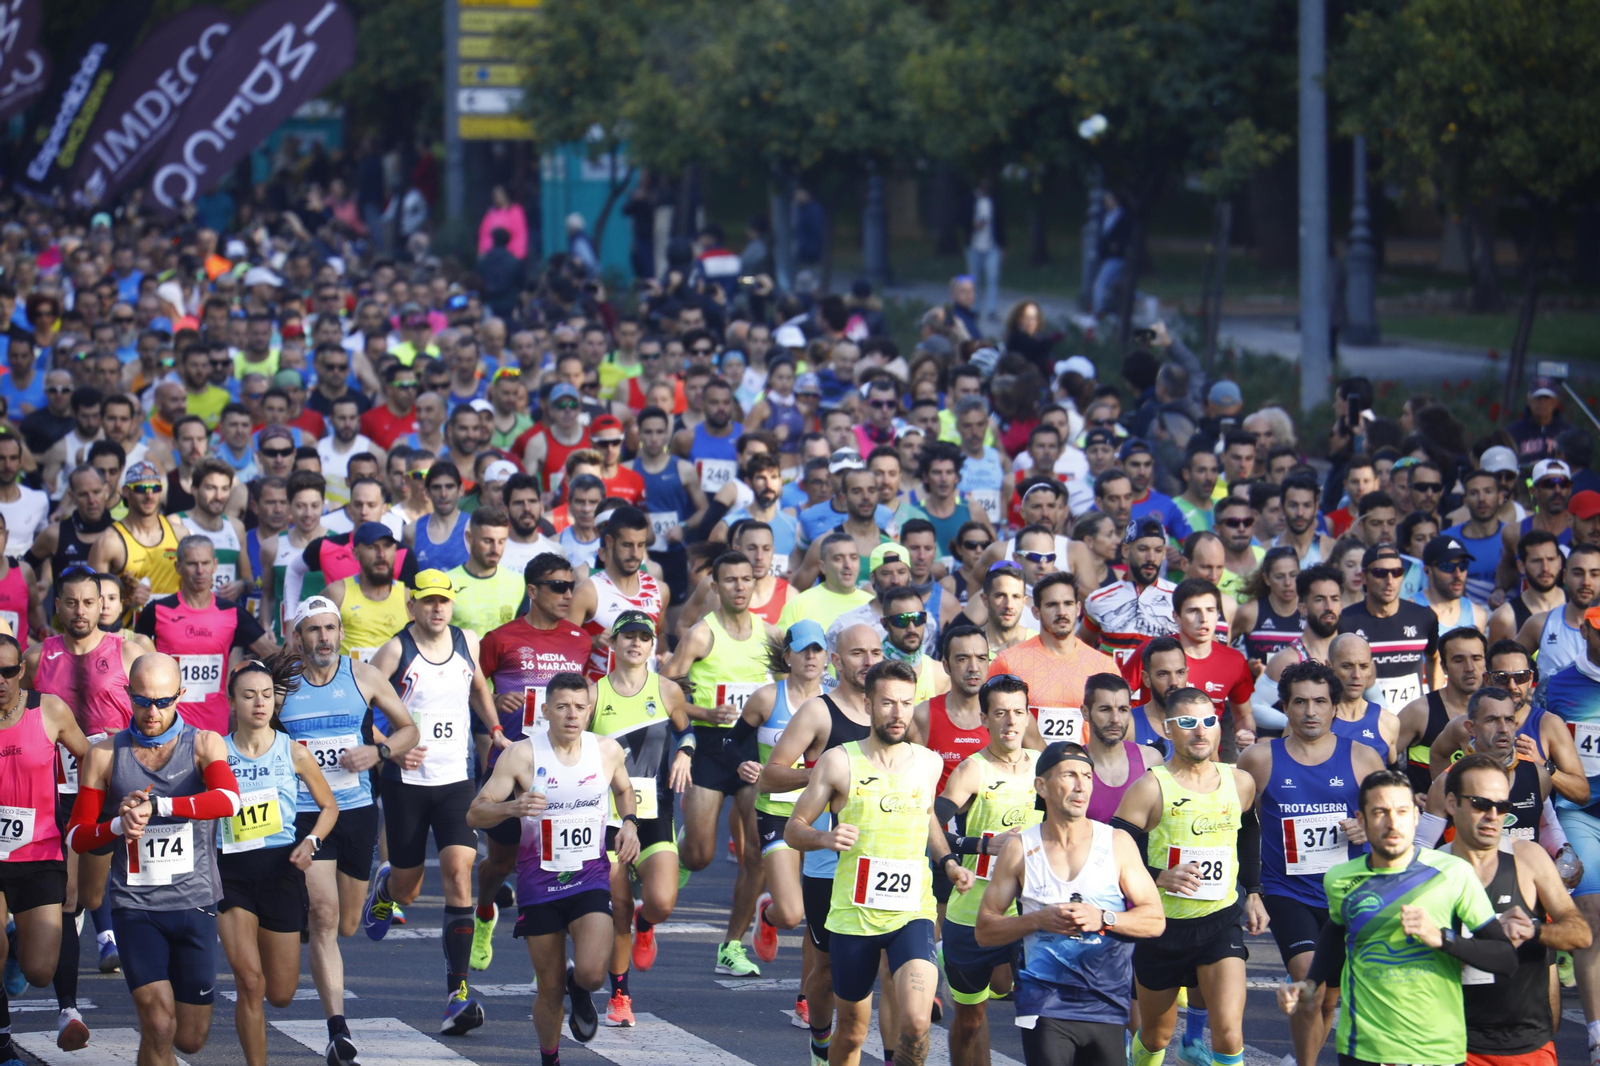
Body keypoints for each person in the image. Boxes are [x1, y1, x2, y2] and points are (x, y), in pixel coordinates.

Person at [785, 659, 972, 1066]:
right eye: (887, 703)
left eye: (906, 702)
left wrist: (948, 862)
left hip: (912, 913)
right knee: (851, 1032)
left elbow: (926, 819)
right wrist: (824, 837)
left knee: (918, 1023)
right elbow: (793, 829)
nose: (898, 712)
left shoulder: (928, 763)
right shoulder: (839, 762)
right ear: (868, 703)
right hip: (854, 916)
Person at [65, 653, 245, 1066]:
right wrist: (117, 825)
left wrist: (160, 807)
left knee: (189, 1038)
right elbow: (77, 835)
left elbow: (228, 800)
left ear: (180, 695)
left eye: (164, 701)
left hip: (194, 903)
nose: (153, 711)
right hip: (135, 908)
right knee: (159, 1024)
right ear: (128, 695)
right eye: (143, 700)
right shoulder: (105, 754)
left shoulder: (204, 743)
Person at [1276, 769, 1520, 1066]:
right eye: (1380, 812)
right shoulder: (1340, 878)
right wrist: (1310, 983)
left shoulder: (1453, 872)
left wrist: (1442, 939)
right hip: (1362, 1049)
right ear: (1362, 820)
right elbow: (1337, 930)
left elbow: (1505, 959)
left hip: (1436, 1050)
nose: (1393, 823)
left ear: (1416, 817)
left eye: (1402, 812)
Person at [465, 671, 639, 1066]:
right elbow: (475, 813)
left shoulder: (607, 751)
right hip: (538, 885)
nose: (571, 715)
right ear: (545, 711)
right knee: (548, 988)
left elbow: (624, 789)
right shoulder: (522, 755)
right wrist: (513, 807)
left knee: (593, 974)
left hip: (590, 878)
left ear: (589, 710)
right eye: (562, 707)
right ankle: (550, 1058)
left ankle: (581, 990)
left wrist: (630, 824)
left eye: (579, 707)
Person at [277, 596, 418, 1066]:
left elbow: (408, 731)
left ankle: (381, 885)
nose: (323, 639)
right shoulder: (282, 686)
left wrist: (377, 754)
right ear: (298, 637)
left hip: (356, 811)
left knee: (350, 923)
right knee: (323, 917)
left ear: (340, 633)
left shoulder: (363, 677)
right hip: (306, 815)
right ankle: (337, 1028)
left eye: (330, 629)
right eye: (313, 630)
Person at [361, 570, 500, 1033]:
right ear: (412, 606)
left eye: (444, 601)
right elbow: (358, 706)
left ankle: (456, 994)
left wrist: (495, 728)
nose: (437, 609)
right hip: (407, 783)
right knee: (409, 890)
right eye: (428, 602)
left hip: (456, 781)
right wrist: (389, 745)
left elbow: (479, 687)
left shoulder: (465, 642)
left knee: (461, 872)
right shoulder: (396, 650)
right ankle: (384, 889)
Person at [975, 739, 1167, 1066]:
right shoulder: (1020, 848)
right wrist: (1036, 920)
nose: (1081, 786)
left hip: (1105, 1003)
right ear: (1042, 786)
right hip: (1043, 1002)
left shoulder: (1117, 843)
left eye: (1087, 776)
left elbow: (1155, 920)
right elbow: (985, 930)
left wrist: (1104, 917)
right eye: (1069, 775)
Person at [1238, 660, 1384, 1066]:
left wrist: (1364, 830)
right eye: (1300, 702)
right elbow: (1237, 826)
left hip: (1347, 892)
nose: (1311, 711)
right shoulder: (1259, 759)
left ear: (1335, 707)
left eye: (1320, 701)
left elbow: (1389, 822)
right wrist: (1251, 890)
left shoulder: (1365, 758)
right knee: (1309, 986)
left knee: (1329, 998)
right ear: (1285, 707)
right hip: (1287, 891)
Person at [1111, 686, 1266, 1066]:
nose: (1200, 731)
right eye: (1187, 723)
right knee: (1156, 1034)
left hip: (1220, 923)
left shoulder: (1240, 782)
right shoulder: (1149, 788)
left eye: (1209, 721)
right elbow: (1112, 852)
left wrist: (1254, 891)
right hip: (1161, 929)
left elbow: (1248, 833)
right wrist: (1158, 876)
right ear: (1167, 730)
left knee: (1229, 1033)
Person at [758, 623, 883, 1064]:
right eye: (856, 653)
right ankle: (819, 1043)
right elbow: (771, 774)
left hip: (887, 865)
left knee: (894, 967)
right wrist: (823, 776)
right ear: (835, 659)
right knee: (826, 970)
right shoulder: (818, 712)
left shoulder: (896, 712)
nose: (867, 661)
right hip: (829, 864)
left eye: (874, 652)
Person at [471, 553, 594, 970]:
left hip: (562, 767)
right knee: (501, 862)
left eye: (570, 586)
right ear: (533, 590)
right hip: (513, 764)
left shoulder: (580, 640)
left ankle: (564, 941)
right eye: (557, 586)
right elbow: (472, 687)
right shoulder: (501, 638)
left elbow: (590, 692)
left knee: (564, 858)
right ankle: (485, 908)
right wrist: (493, 709)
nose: (567, 594)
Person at [216, 654, 338, 1066]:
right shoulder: (215, 752)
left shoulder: (293, 752)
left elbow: (329, 808)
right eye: (249, 696)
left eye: (266, 695)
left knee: (281, 994)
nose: (259, 703)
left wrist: (312, 842)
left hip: (280, 873)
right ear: (232, 700)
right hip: (230, 874)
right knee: (250, 982)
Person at [665, 550, 780, 976]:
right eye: (729, 580)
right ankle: (678, 855)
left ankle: (732, 945)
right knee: (699, 855)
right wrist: (703, 714)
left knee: (758, 854)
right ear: (715, 586)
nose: (739, 587)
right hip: (711, 750)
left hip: (751, 752)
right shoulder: (701, 635)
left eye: (745, 579)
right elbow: (668, 689)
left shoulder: (771, 637)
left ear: (755, 582)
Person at [1440, 751, 1591, 1066]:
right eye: (1481, 804)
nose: (1493, 815)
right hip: (1452, 1045)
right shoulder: (1430, 871)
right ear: (1452, 803)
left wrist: (1536, 930)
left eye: (1502, 806)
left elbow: (1580, 935)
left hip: (1527, 1045)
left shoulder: (1530, 859)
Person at [588, 609, 694, 1026]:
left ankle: (645, 922)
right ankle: (619, 996)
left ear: (653, 646)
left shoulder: (666, 691)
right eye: (628, 636)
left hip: (654, 812)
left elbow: (686, 730)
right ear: (612, 644)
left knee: (663, 902)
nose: (636, 643)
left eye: (644, 637)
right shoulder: (594, 694)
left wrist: (685, 752)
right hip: (607, 818)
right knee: (616, 905)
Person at [936, 673, 1043, 1066]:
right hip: (974, 914)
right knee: (969, 1020)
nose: (1010, 722)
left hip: (1030, 910)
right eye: (1000, 713)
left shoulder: (1043, 768)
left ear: (1029, 716)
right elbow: (934, 829)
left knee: (1037, 1017)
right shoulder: (973, 770)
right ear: (984, 719)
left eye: (1018, 712)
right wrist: (979, 845)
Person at [0, 632, 88, 1055]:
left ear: (21, 670)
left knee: (38, 971)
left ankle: (18, 943)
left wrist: (82, 819)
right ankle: (2, 1046)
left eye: (7, 670)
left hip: (40, 852)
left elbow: (89, 758)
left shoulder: (48, 710)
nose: (0, 680)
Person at [745, 620, 828, 984]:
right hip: (776, 812)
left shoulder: (834, 703)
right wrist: (743, 763)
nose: (811, 656)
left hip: (821, 817)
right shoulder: (767, 697)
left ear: (828, 658)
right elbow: (732, 742)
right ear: (787, 656)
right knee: (792, 914)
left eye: (818, 649)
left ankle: (806, 999)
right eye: (803, 649)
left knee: (818, 916)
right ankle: (769, 914)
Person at [133, 535, 276, 733]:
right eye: (192, 564)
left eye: (205, 563)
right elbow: (131, 663)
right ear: (178, 567)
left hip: (214, 729)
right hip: (167, 727)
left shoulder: (233, 613)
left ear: (215, 565)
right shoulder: (156, 611)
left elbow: (272, 654)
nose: (200, 571)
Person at [986, 572, 1116, 746]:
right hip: (1027, 769)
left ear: (1078, 609)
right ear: (1036, 612)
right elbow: (989, 724)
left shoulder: (1104, 666)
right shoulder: (1007, 663)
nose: (1062, 612)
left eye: (1068, 604)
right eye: (1052, 605)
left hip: (1085, 769)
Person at [1337, 544, 1440, 710]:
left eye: (1397, 572)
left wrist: (1435, 705)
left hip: (1413, 722)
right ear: (1363, 577)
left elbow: (1434, 658)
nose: (1390, 580)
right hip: (1367, 723)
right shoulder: (1345, 622)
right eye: (1380, 573)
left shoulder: (1424, 617)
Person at [1082, 516, 1176, 692]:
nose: (1151, 558)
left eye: (1158, 550)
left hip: (1164, 706)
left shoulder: (1179, 598)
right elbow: (1080, 648)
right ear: (1125, 550)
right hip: (1113, 705)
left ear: (1164, 553)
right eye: (1143, 549)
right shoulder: (1099, 599)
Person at [569, 507, 664, 679]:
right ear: (610, 542)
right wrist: (595, 640)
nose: (635, 554)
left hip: (646, 700)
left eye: (640, 545)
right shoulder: (588, 591)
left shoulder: (659, 590)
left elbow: (661, 637)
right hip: (601, 699)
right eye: (627, 545)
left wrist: (664, 660)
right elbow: (563, 647)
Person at [89, 462, 188, 625]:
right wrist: (127, 601)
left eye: (155, 489)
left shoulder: (180, 534)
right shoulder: (108, 542)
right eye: (141, 489)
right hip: (130, 640)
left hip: (173, 634)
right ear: (126, 492)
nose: (149, 496)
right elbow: (91, 603)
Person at [1396, 626, 1487, 795]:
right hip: (1431, 815)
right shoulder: (1420, 712)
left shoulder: (1501, 710)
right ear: (1444, 667)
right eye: (1459, 660)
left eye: (1476, 658)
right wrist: (1405, 796)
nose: (1470, 667)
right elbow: (1379, 760)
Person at [1514, 541, 1600, 679]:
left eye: (1595, 574)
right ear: (1565, 576)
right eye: (1578, 573)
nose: (1586, 582)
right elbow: (1505, 665)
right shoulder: (1539, 624)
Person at [175, 458, 251, 601]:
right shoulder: (177, 524)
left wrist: (240, 586)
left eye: (224, 489)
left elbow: (249, 581)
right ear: (194, 490)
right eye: (210, 488)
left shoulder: (236, 527)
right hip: (190, 615)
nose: (218, 497)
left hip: (227, 615)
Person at [446, 506, 524, 639]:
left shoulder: (519, 583)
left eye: (501, 541)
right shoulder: (447, 583)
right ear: (469, 537)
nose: (495, 549)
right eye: (488, 541)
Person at [1488, 529, 1564, 644]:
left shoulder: (1580, 606)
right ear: (1521, 566)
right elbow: (1493, 661)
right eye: (1537, 561)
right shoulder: (1505, 618)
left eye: (1551, 559)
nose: (1545, 568)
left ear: (1559, 562)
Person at [1232, 545, 1303, 663]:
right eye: (1279, 577)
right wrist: (1244, 666)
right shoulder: (1250, 613)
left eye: (1293, 575)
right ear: (1266, 579)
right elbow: (1218, 645)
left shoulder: (1310, 611)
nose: (1287, 582)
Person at [1416, 534, 1490, 633]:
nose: (1458, 574)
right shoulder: (1410, 610)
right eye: (1447, 567)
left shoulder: (1477, 615)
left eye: (1463, 566)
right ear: (1427, 571)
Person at [407, 461, 471, 574]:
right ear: (427, 492)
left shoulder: (474, 529)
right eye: (437, 487)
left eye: (449, 487)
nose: (443, 494)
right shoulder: (411, 532)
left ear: (461, 490)